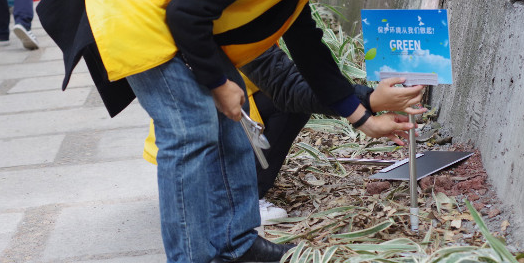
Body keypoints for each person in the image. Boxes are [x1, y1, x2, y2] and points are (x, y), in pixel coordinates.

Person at [36, 0, 424, 263]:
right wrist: (220, 84)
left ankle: (236, 243)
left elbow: (308, 48)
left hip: (170, 3)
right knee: (190, 126)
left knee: (233, 119)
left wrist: (361, 116)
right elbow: (187, 13)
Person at [142, 44, 425, 225]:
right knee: (285, 103)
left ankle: (235, 192)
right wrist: (368, 103)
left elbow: (293, 77)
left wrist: (365, 107)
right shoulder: (238, 13)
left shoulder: (247, 5)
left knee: (287, 104)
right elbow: (286, 82)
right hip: (197, 135)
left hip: (213, 120)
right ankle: (237, 200)